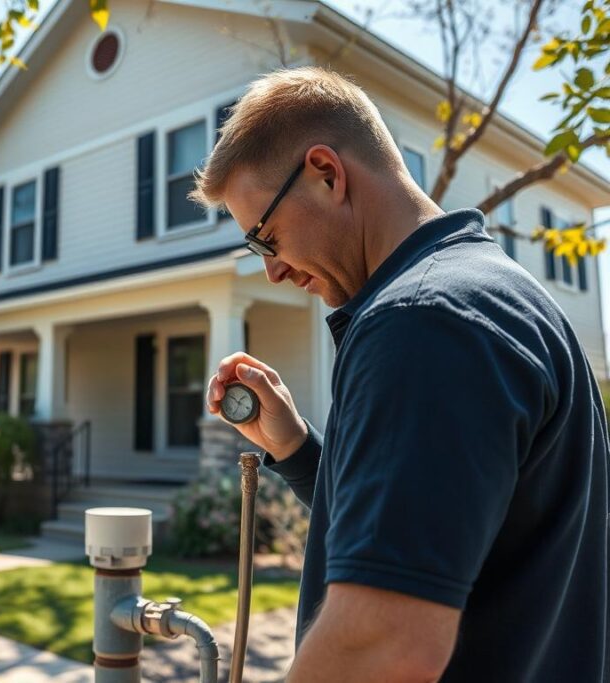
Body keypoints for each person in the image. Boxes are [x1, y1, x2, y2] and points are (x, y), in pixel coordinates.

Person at [192, 66, 609, 682]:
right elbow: (440, 526)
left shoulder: (423, 321)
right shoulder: (494, 291)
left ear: (327, 174)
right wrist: (298, 449)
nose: (273, 272)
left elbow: (383, 647)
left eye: (266, 238)